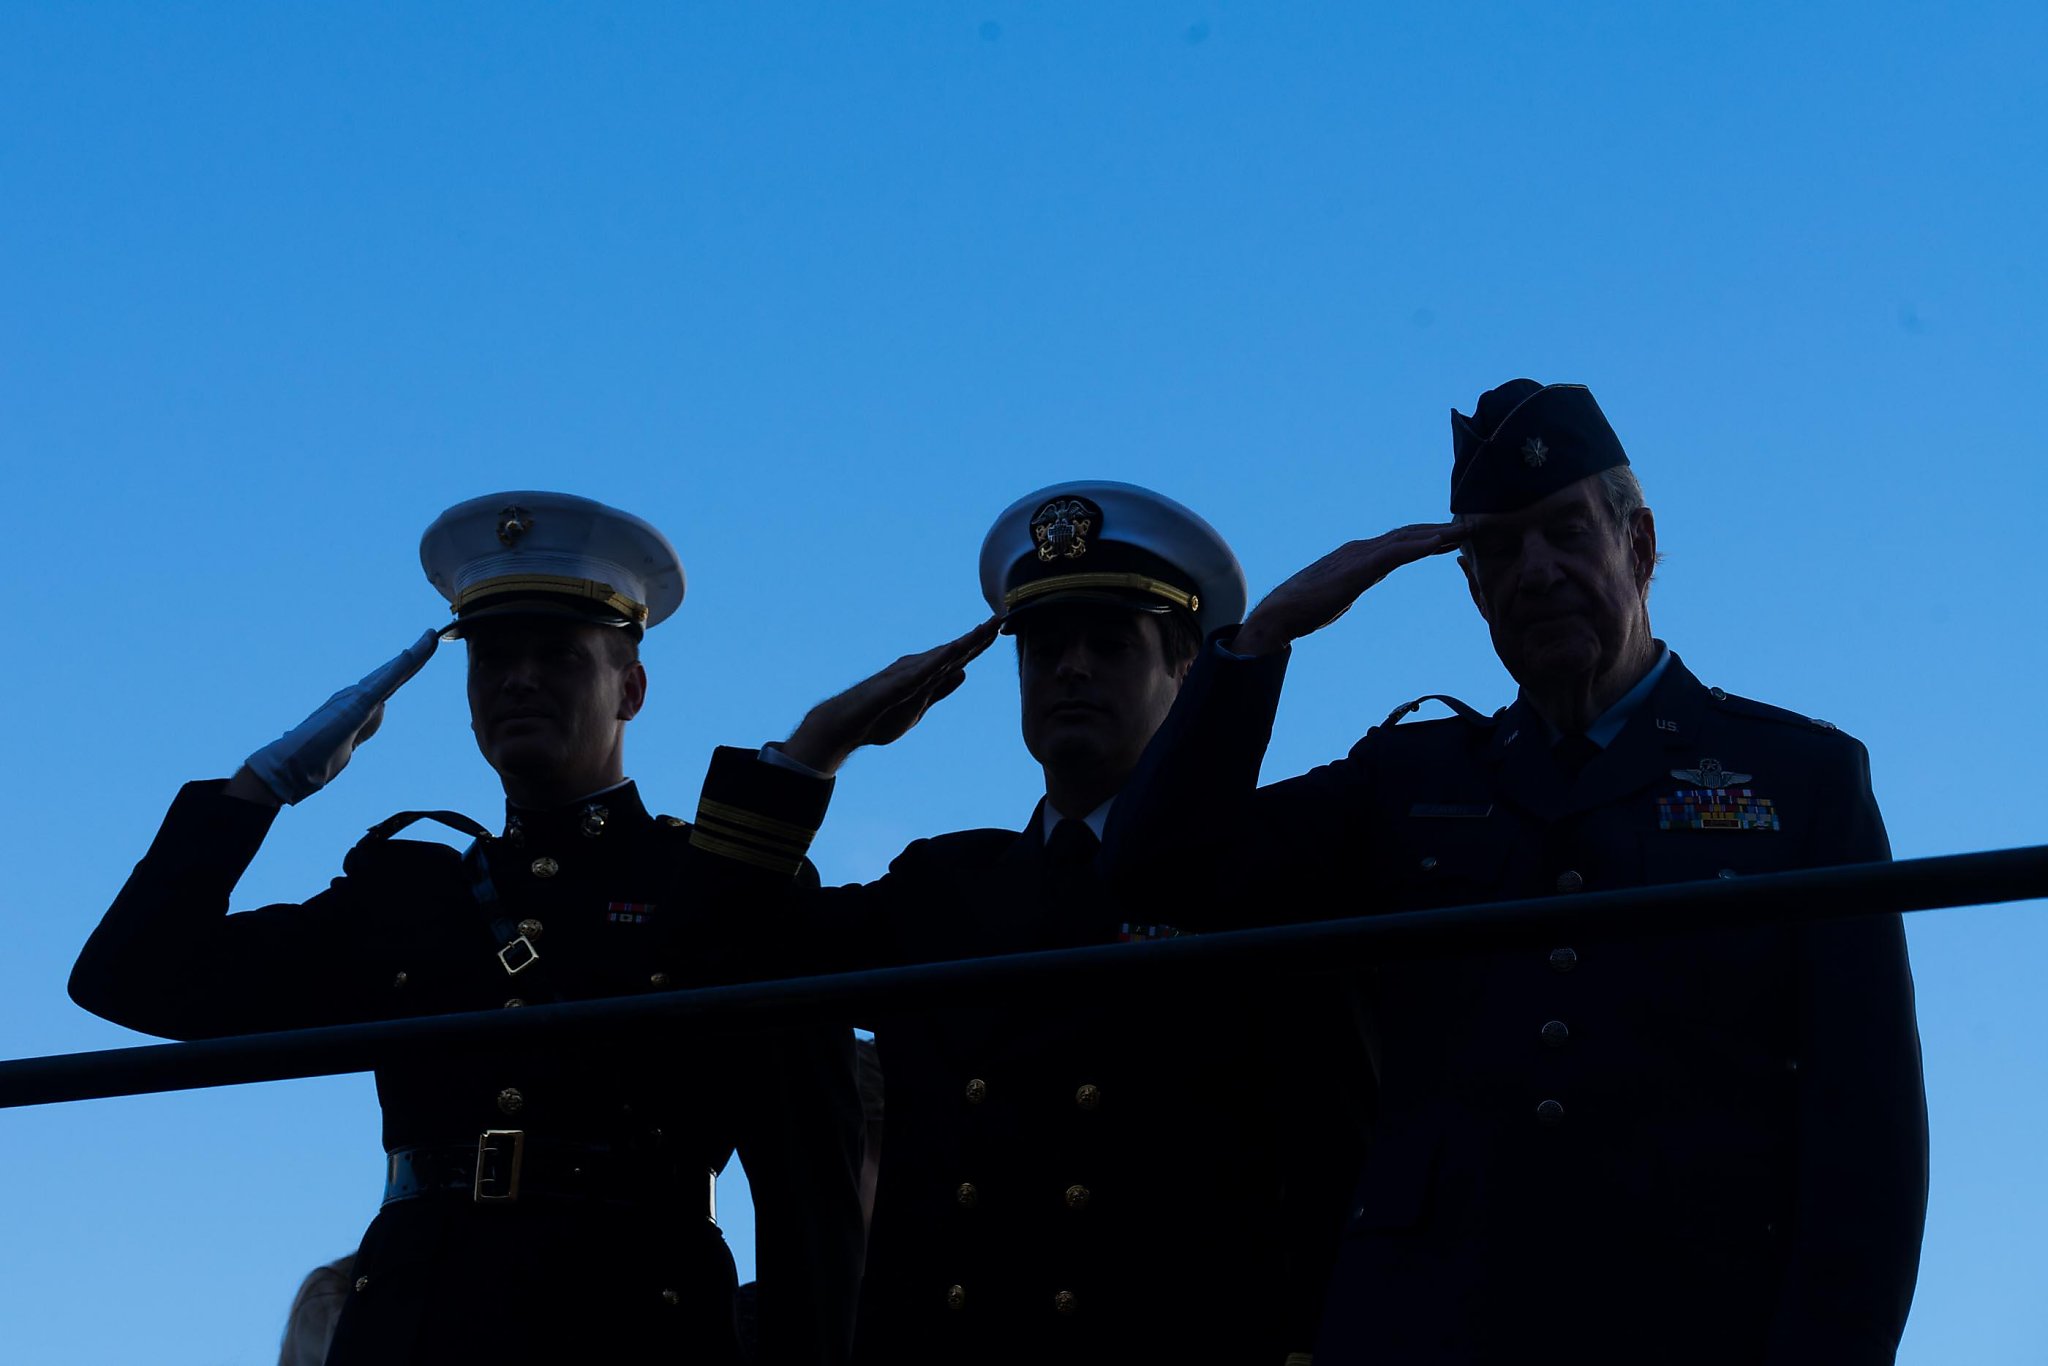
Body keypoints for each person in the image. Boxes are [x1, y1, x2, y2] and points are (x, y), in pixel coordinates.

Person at [1105, 382, 1929, 1364]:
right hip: (1425, 1326)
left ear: (1638, 546)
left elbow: (1864, 1133)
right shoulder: (1405, 781)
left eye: (1563, 531)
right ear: (1470, 589)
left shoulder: (1798, 780)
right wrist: (1258, 643)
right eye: (1496, 550)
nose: (1533, 573)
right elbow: (1157, 875)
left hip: (1688, 1323)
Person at [70, 491, 864, 1366]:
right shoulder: (414, 895)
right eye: (490, 661)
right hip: (419, 1326)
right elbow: (132, 979)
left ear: (630, 687)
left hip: (636, 1320)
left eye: (559, 656)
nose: (518, 680)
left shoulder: (714, 886)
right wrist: (261, 787)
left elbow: (810, 1197)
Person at [685, 482, 1366, 1365]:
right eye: (1043, 649)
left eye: (1111, 645)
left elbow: (1331, 1155)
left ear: (1187, 672)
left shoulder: (1262, 875)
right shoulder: (944, 886)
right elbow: (712, 956)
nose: (1070, 668)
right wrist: (816, 748)